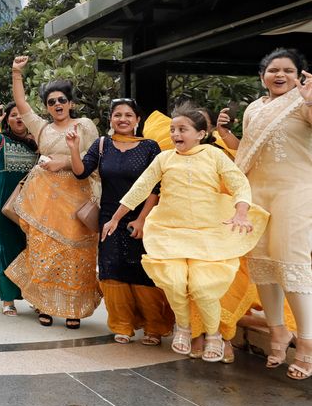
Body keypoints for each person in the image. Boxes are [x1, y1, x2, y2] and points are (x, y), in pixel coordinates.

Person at [102, 104, 268, 362]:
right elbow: (140, 188)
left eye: (182, 129)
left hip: (207, 234)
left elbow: (238, 183)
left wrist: (241, 212)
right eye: (173, 130)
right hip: (171, 233)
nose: (176, 134)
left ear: (200, 134)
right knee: (175, 281)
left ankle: (213, 334)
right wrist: (115, 218)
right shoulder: (164, 159)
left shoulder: (214, 156)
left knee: (204, 286)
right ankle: (183, 326)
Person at [231, 49, 312, 380]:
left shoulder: (303, 101)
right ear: (262, 75)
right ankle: (278, 330)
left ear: (299, 75)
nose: (280, 75)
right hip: (257, 190)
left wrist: (308, 99)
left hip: (296, 189)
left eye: (288, 71)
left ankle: (307, 342)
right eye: (273, 70)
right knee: (262, 260)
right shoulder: (253, 108)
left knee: (290, 258)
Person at [67, 98, 173, 344]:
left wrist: (144, 220)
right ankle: (122, 325)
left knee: (143, 271)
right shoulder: (102, 144)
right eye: (117, 115)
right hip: (109, 217)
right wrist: (73, 148)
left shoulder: (150, 147)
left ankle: (154, 327)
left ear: (137, 120)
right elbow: (81, 172)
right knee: (111, 269)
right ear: (110, 119)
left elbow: (156, 187)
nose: (122, 119)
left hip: (142, 216)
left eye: (128, 115)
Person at [5, 56, 100, 328]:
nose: (57, 105)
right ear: (47, 107)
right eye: (51, 102)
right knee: (42, 251)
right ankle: (43, 304)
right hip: (44, 201)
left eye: (61, 100)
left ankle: (74, 308)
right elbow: (21, 104)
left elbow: (94, 158)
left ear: (71, 103)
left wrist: (66, 162)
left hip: (76, 199)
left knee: (75, 253)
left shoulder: (84, 125)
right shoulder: (42, 127)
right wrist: (16, 73)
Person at [0, 102, 38, 316]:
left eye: (22, 115)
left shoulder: (36, 143)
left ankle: (35, 296)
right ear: (8, 119)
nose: (19, 118)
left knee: (33, 252)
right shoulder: (0, 139)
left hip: (32, 206)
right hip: (2, 206)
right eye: (13, 115)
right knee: (5, 250)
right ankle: (8, 299)